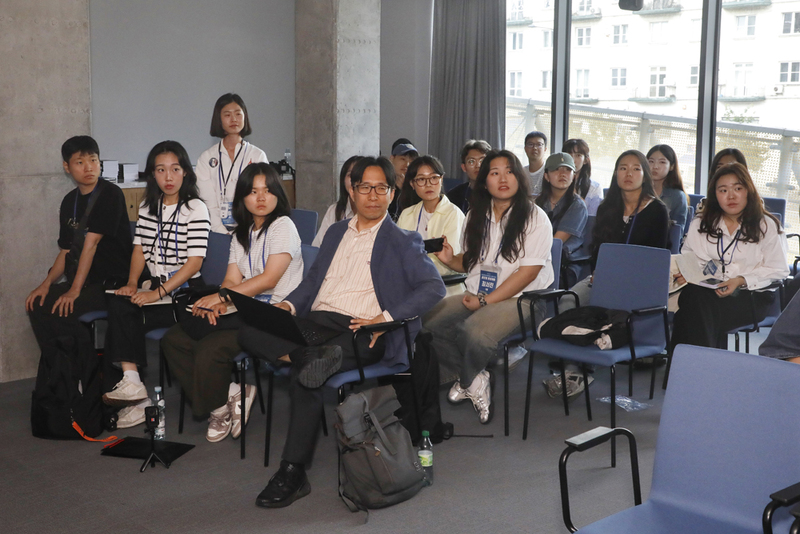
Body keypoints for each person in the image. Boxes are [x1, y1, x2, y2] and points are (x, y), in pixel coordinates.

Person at [237, 156, 445, 508]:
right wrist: (286, 307)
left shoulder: (403, 240)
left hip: (361, 330)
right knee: (248, 327)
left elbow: (433, 288)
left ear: (393, 194)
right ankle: (309, 355)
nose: (373, 195)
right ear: (352, 191)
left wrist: (385, 317)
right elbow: (314, 282)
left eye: (382, 188)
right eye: (366, 187)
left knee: (308, 376)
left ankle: (292, 471)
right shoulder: (336, 232)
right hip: (318, 324)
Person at [161, 162, 303, 442]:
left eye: (267, 190)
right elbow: (230, 279)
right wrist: (220, 304)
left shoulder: (283, 226)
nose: (260, 198)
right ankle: (230, 395)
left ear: (278, 194)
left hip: (274, 318)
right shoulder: (242, 232)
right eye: (252, 192)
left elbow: (269, 279)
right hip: (245, 312)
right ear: (242, 198)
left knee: (210, 349)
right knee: (173, 339)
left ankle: (217, 409)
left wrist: (224, 297)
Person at [424, 149, 554, 424]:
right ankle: (472, 375)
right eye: (495, 173)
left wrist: (486, 301)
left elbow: (528, 273)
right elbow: (471, 263)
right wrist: (451, 260)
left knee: (474, 332)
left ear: (520, 178)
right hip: (478, 293)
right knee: (427, 323)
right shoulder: (475, 215)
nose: (503, 178)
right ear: (484, 182)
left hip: (526, 299)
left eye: (509, 171)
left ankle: (469, 376)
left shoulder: (535, 217)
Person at [101, 141, 211, 428]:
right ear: (153, 175)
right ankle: (134, 384)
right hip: (156, 288)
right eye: (161, 170)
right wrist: (132, 283)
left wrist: (156, 293)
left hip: (185, 293)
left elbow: (194, 264)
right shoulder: (150, 206)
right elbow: (139, 249)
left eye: (175, 169)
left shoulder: (195, 208)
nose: (169, 177)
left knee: (125, 317)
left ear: (186, 172)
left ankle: (138, 398)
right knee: (118, 303)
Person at [26, 136, 133, 392]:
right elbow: (66, 250)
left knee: (67, 309)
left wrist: (74, 290)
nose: (88, 168)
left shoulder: (110, 194)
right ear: (67, 167)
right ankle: (61, 370)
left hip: (112, 282)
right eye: (80, 162)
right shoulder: (69, 202)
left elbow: (91, 245)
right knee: (39, 303)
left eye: (93, 160)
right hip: (84, 280)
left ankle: (88, 376)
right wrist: (46, 284)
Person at [671, 163, 787, 349]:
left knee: (690, 312)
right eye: (723, 190)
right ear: (715, 195)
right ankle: (703, 369)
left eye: (738, 188)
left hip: (750, 297)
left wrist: (740, 280)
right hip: (707, 291)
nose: (731, 196)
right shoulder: (702, 223)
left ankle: (683, 372)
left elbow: (778, 269)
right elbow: (689, 257)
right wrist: (688, 272)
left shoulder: (766, 225)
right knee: (695, 301)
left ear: (748, 190)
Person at [569, 150, 670, 305]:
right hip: (606, 277)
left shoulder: (657, 211)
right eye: (623, 168)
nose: (629, 174)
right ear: (616, 174)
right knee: (568, 301)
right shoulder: (606, 208)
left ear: (645, 176)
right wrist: (598, 272)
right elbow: (597, 248)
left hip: (640, 282)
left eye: (636, 169)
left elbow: (656, 259)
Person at [196, 93, 269, 234]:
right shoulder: (206, 158)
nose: (234, 119)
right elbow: (208, 204)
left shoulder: (257, 155)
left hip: (252, 230)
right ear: (219, 119)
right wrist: (222, 231)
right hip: (215, 231)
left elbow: (263, 198)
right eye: (227, 115)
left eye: (238, 114)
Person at [397, 155, 466, 295]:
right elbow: (397, 253)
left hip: (446, 289)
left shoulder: (453, 214)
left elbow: (450, 264)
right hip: (411, 287)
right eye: (421, 179)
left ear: (441, 179)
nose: (428, 184)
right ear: (412, 184)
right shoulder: (407, 214)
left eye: (434, 178)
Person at [535, 153, 588, 288]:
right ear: (546, 176)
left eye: (568, 170)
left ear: (574, 176)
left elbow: (556, 242)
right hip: (536, 258)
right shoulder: (538, 203)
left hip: (562, 265)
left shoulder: (577, 205)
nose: (563, 174)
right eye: (556, 169)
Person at [312, 155, 362, 247]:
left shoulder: (375, 211)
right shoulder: (334, 210)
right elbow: (318, 247)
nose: (355, 181)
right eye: (351, 175)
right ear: (343, 180)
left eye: (360, 175)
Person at [647, 144, 689, 229]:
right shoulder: (637, 191)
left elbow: (677, 233)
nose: (655, 167)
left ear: (671, 166)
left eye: (662, 162)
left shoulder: (677, 196)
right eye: (651, 161)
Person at [446, 139, 492, 214]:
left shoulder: (498, 194)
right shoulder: (454, 196)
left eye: (482, 161)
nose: (478, 165)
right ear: (464, 167)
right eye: (471, 161)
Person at [562, 138, 603, 216]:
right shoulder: (554, 181)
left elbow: (592, 220)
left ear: (585, 160)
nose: (573, 160)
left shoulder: (594, 188)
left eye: (578, 155)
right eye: (569, 155)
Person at [387, 140, 419, 220]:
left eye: (411, 161)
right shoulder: (384, 182)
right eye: (403, 159)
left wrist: (405, 190)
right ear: (392, 158)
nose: (407, 164)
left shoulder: (417, 186)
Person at [523, 131, 548, 196]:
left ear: (545, 149)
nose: (535, 148)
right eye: (530, 144)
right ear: (525, 149)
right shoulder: (520, 172)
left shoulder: (550, 172)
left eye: (539, 145)